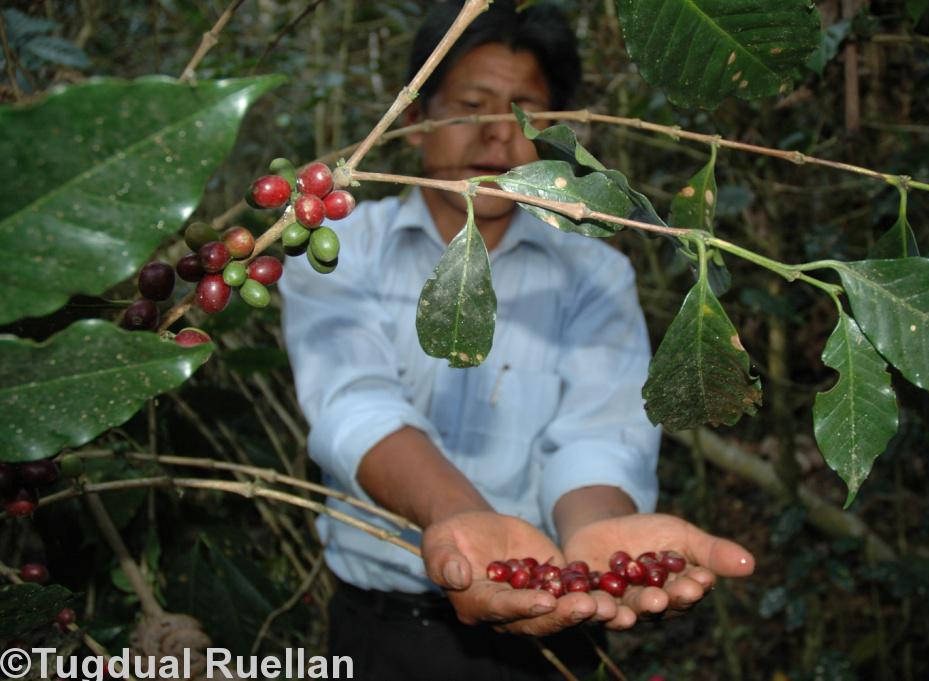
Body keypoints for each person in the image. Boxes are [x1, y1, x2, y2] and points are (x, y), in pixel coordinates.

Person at [279, 1, 755, 678]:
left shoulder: (593, 271)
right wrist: (463, 519)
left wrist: (593, 538)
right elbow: (355, 406)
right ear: (415, 121)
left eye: (525, 112)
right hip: (383, 627)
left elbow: (598, 433)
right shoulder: (340, 248)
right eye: (472, 105)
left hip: (555, 622)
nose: (497, 135)